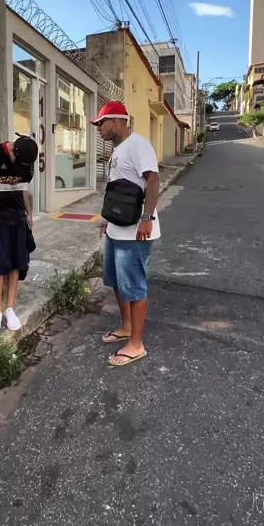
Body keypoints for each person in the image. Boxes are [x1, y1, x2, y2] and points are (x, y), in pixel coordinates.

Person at [90, 101, 160, 367]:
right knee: (116, 282)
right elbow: (117, 190)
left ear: (116, 122)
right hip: (116, 229)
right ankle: (127, 326)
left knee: (133, 285)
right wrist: (106, 219)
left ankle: (136, 344)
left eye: (101, 123)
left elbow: (153, 180)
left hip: (135, 233)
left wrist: (147, 218)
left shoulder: (137, 144)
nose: (98, 128)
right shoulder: (118, 150)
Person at [0, 135, 38, 337]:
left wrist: (29, 212)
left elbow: (23, 188)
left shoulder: (26, 160)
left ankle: (9, 308)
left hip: (17, 217)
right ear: (12, 151)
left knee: (16, 262)